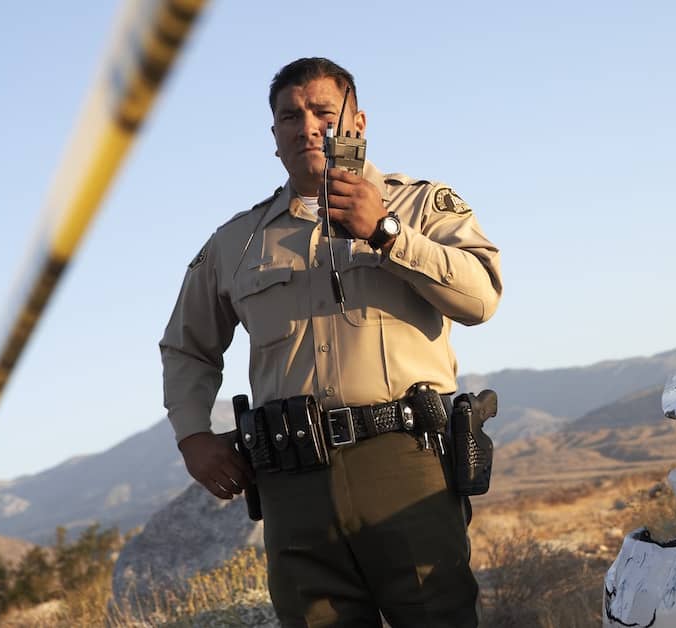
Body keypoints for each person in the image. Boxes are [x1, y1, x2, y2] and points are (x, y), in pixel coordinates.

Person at [159, 57, 501, 627]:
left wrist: (386, 233)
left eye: (322, 111)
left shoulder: (420, 204)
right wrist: (193, 434)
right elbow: (187, 346)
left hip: (405, 460)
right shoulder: (236, 242)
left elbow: (481, 297)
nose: (307, 126)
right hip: (292, 481)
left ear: (358, 124)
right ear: (275, 138)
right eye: (290, 116)